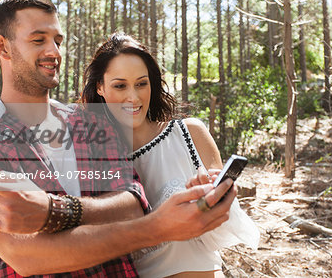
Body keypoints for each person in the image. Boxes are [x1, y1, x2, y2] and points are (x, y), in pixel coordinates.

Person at [0, 0, 237, 277]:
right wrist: (156, 226)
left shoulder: (91, 124)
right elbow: (26, 255)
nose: (54, 52)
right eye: (38, 40)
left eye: (58, 41)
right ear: (2, 47)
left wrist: (53, 212)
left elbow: (132, 205)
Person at [81, 33, 259, 278]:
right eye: (120, 85)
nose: (133, 97)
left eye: (141, 83)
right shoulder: (92, 157)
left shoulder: (189, 133)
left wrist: (210, 203)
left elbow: (222, 230)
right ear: (100, 87)